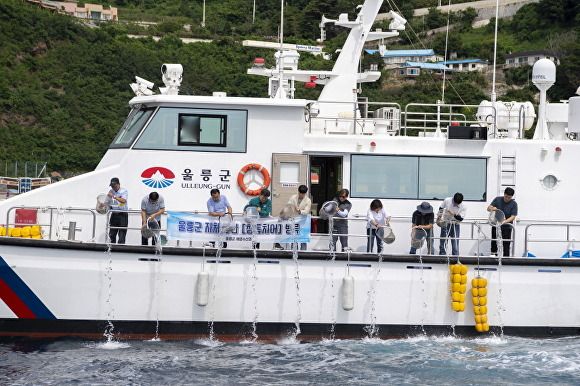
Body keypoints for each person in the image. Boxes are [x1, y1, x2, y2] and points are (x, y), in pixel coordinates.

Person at [276, 185, 312, 251]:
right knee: (294, 237)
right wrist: (282, 213)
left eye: (303, 193)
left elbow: (306, 211)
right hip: (294, 220)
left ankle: (303, 254)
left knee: (303, 238)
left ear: (305, 193)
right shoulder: (293, 197)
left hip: (302, 221)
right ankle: (294, 252)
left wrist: (299, 211)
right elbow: (288, 206)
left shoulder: (308, 200)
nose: (301, 195)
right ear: (298, 192)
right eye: (300, 193)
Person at [487, 187, 518, 257]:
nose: (507, 198)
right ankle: (493, 256)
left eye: (509, 197)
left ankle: (506, 258)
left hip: (507, 226)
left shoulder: (514, 204)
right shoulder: (497, 199)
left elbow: (513, 216)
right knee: (494, 241)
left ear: (512, 197)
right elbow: (488, 208)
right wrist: (492, 208)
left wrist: (504, 222)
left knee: (506, 244)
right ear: (504, 194)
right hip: (496, 224)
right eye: (506, 196)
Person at [106, 177, 128, 244]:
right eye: (112, 186)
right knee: (112, 233)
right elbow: (107, 201)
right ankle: (111, 248)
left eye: (115, 186)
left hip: (122, 214)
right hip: (114, 214)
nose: (113, 187)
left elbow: (123, 200)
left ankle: (120, 249)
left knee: (122, 234)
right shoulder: (110, 191)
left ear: (119, 184)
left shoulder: (124, 191)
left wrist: (114, 196)